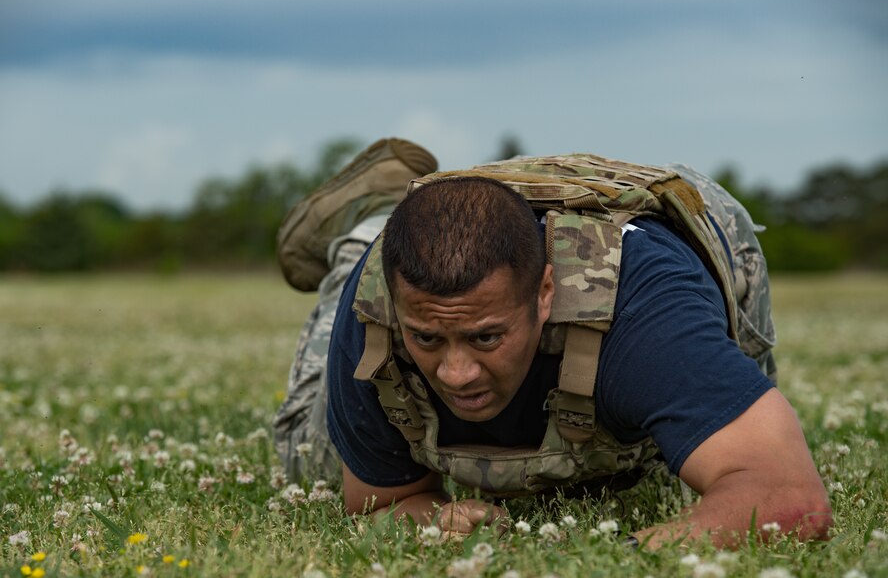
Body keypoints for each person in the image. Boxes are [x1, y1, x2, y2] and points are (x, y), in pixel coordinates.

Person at [272, 137, 832, 549]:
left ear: (546, 293)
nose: (456, 373)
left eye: (485, 336)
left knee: (694, 464)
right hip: (424, 250)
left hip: (689, 237)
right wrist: (428, 519)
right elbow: (383, 504)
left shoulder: (646, 323)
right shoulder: (372, 311)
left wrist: (618, 559)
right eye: (428, 338)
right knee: (306, 457)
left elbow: (787, 499)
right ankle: (370, 225)